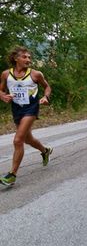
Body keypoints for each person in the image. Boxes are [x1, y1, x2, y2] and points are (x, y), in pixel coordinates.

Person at [0, 46, 53, 186]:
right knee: (27, 139)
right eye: (24, 57)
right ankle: (45, 150)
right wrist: (3, 96)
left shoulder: (36, 74)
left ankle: (12, 175)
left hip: (31, 108)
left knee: (18, 140)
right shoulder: (6, 74)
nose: (28, 60)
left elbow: (47, 87)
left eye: (29, 57)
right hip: (16, 109)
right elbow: (1, 90)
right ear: (16, 58)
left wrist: (46, 97)